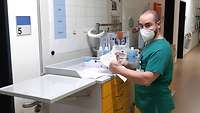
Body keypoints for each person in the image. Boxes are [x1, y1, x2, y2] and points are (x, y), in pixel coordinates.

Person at [109, 10, 175, 113]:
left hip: (156, 105)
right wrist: (127, 64)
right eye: (141, 26)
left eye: (148, 25)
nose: (144, 30)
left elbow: (147, 79)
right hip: (145, 102)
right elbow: (143, 66)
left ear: (158, 24)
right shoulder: (150, 44)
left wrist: (119, 70)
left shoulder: (161, 49)